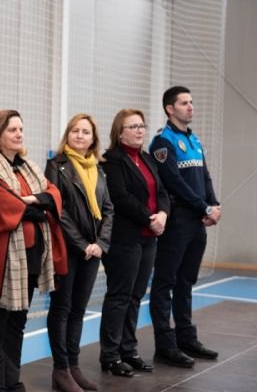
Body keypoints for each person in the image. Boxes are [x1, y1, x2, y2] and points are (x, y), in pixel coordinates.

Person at [0, 110, 68, 392]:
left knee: (17, 324)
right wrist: (37, 206)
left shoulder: (28, 166)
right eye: (12, 130)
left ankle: (12, 383)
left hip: (30, 259)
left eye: (21, 129)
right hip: (0, 261)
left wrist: (33, 201)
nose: (19, 134)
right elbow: (7, 207)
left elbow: (54, 194)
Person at [149, 86, 221, 368]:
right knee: (165, 283)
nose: (191, 107)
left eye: (192, 102)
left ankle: (186, 338)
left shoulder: (195, 140)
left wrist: (214, 204)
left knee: (186, 282)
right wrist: (203, 208)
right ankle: (165, 346)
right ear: (170, 108)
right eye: (184, 103)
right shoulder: (162, 143)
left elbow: (204, 175)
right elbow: (174, 184)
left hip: (197, 222)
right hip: (177, 222)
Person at [98, 109, 170, 377]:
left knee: (136, 296)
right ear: (120, 132)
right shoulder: (111, 161)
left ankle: (129, 350)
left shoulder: (148, 159)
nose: (140, 130)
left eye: (142, 125)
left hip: (148, 239)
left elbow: (162, 192)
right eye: (133, 126)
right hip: (124, 239)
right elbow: (120, 197)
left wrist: (162, 214)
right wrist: (150, 218)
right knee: (119, 296)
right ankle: (110, 355)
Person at [45, 113, 114, 392]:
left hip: (93, 250)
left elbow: (108, 209)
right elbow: (57, 210)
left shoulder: (99, 169)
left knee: (78, 310)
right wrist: (82, 244)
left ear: (93, 139)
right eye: (75, 130)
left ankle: (73, 366)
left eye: (85, 132)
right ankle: (60, 370)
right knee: (61, 309)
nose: (80, 135)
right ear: (68, 135)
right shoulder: (56, 166)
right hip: (68, 248)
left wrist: (101, 244)